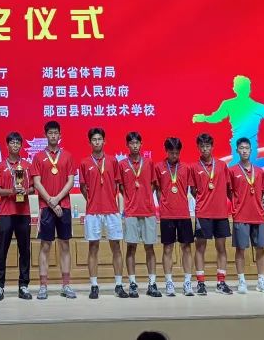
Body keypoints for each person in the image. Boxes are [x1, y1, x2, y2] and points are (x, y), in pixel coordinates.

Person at [192, 75, 264, 166]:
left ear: (249, 89)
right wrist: (204, 118)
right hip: (236, 143)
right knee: (236, 167)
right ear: (235, 89)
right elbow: (216, 117)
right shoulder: (228, 104)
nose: (243, 90)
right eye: (240, 87)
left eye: (245, 87)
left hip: (251, 144)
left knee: (248, 166)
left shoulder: (256, 107)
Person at [79, 127, 127, 300]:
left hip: (112, 211)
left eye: (99, 139)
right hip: (93, 212)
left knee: (116, 247)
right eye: (94, 139)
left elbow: (118, 185)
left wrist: (114, 204)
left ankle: (119, 285)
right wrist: (93, 200)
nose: (97, 142)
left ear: (104, 141)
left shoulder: (113, 161)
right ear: (90, 142)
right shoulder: (84, 163)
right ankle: (94, 286)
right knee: (93, 247)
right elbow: (83, 187)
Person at [31, 120, 76, 299]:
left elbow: (71, 181)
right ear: (45, 135)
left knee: (65, 244)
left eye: (56, 133)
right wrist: (51, 201)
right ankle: (43, 286)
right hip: (46, 207)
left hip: (64, 206)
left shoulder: (68, 156)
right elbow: (36, 183)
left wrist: (57, 199)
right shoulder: (38, 157)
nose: (53, 136)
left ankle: (66, 285)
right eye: (50, 133)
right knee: (45, 245)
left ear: (60, 135)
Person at [0, 131, 33, 301]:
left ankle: (23, 285)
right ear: (7, 145)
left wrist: (25, 191)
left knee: (25, 250)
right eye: (12, 142)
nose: (15, 145)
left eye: (18, 143)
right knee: (1, 250)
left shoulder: (27, 165)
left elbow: (33, 187)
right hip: (6, 213)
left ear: (21, 145)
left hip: (23, 212)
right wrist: (12, 191)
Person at [119, 130, 160, 297]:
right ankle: (133, 284)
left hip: (148, 211)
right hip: (131, 212)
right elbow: (121, 187)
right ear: (127, 145)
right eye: (131, 143)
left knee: (150, 247)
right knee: (131, 248)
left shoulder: (149, 163)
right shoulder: (122, 165)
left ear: (141, 144)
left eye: (137, 143)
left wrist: (145, 198)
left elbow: (153, 184)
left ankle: (152, 283)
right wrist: (131, 199)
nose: (134, 146)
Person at [228, 137, 264, 294]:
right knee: (240, 249)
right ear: (237, 150)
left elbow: (263, 192)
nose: (244, 151)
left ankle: (261, 281)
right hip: (240, 215)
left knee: (260, 249)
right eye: (241, 148)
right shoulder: (232, 171)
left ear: (251, 150)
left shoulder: (259, 171)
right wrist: (237, 205)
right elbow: (229, 192)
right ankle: (242, 281)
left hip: (258, 215)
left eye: (247, 148)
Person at [191, 133, 232, 295]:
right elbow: (193, 191)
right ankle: (201, 283)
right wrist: (205, 200)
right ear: (198, 148)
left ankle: (221, 282)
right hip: (203, 213)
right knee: (200, 247)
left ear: (212, 147)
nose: (205, 149)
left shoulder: (222, 165)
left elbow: (228, 188)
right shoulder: (194, 167)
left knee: (221, 247)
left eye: (207, 146)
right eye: (202, 146)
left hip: (221, 213)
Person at [154, 137, 195, 296]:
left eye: (177, 153)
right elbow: (158, 190)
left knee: (186, 248)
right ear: (166, 151)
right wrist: (164, 205)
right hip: (167, 215)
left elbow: (189, 190)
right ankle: (169, 282)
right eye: (171, 152)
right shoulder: (159, 167)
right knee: (168, 248)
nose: (174, 156)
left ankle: (187, 282)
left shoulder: (186, 168)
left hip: (184, 214)